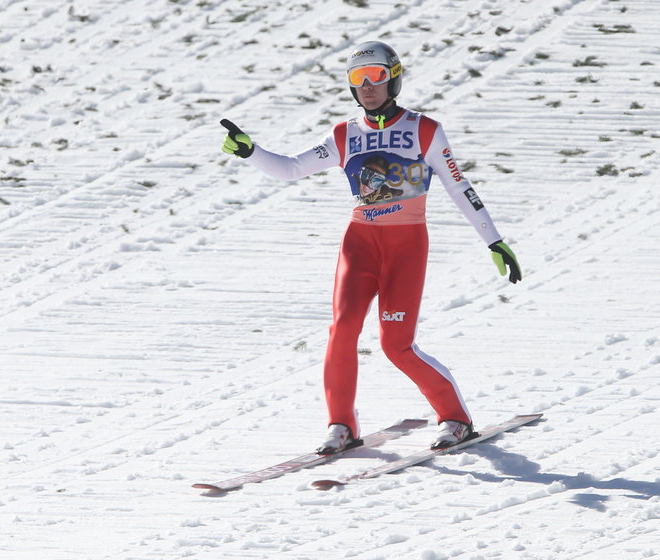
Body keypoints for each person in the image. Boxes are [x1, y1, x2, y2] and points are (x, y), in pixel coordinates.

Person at [221, 41, 522, 453]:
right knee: (342, 331)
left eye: (376, 75)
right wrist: (250, 152)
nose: (367, 86)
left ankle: (455, 418)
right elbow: (291, 169)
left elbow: (458, 185)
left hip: (406, 245)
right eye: (358, 79)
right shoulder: (344, 134)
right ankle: (340, 425)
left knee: (395, 345)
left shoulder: (424, 129)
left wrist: (495, 240)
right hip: (360, 244)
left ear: (394, 78)